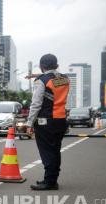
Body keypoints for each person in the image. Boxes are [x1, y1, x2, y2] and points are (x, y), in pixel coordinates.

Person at [26, 54, 70, 191]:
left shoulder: (42, 81)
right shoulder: (65, 79)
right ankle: (52, 179)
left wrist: (29, 123)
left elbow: (36, 104)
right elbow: (53, 77)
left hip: (45, 122)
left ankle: (49, 182)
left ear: (41, 66)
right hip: (60, 120)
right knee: (55, 151)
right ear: (56, 66)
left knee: (47, 152)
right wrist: (38, 75)